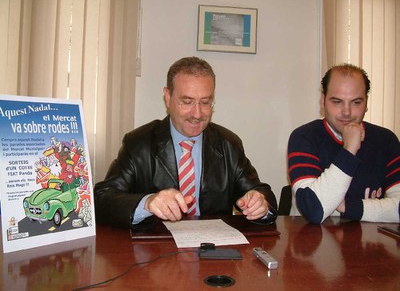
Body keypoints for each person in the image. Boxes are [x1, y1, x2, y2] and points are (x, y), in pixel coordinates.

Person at [94, 56, 277, 228]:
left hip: (213, 249)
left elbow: (260, 193)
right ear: (167, 97)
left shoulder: (228, 144)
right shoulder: (139, 143)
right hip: (156, 249)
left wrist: (260, 204)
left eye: (205, 102)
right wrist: (147, 203)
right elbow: (102, 199)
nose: (197, 114)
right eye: (187, 101)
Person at [287, 63, 400, 224]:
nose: (346, 112)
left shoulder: (386, 140)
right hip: (313, 243)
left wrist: (346, 206)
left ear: (366, 103)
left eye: (356, 102)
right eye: (337, 101)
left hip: (371, 243)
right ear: (323, 101)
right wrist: (349, 150)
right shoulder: (304, 137)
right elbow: (314, 210)